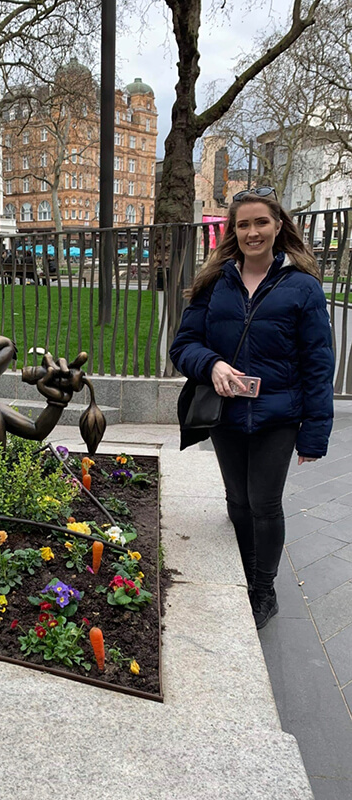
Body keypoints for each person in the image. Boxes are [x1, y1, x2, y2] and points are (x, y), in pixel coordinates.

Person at [169, 187, 334, 630]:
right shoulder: (214, 281)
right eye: (243, 224)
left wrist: (314, 433)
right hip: (225, 413)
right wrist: (213, 364)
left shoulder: (303, 287)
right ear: (232, 230)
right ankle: (243, 570)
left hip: (278, 416)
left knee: (264, 503)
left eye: (261, 222)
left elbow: (319, 364)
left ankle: (264, 590)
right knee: (237, 501)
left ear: (279, 226)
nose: (252, 232)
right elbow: (183, 346)